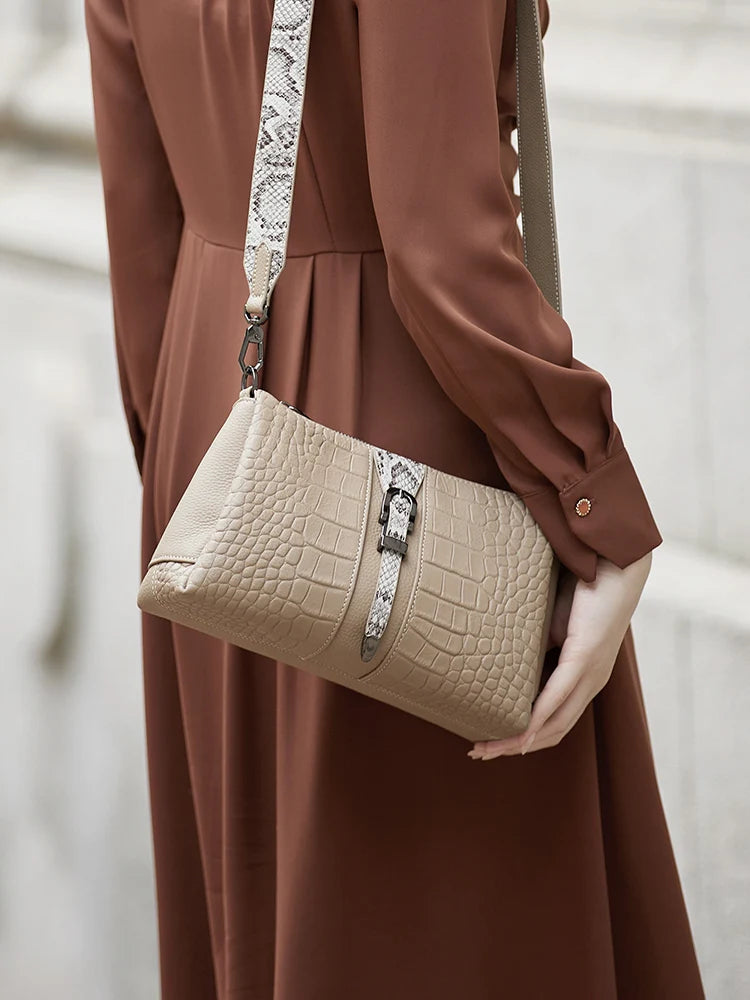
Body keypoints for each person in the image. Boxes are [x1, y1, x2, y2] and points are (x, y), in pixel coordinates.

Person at [85, 0, 705, 996]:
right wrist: (596, 503)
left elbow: (139, 223)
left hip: (220, 433)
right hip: (397, 465)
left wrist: (188, 495)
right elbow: (440, 243)